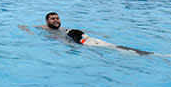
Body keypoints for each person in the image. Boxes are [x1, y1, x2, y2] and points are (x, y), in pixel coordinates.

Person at [21, 12, 151, 56]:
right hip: (66, 43)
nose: (56, 20)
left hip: (74, 40)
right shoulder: (44, 28)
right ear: (47, 21)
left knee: (107, 46)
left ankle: (127, 50)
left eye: (57, 18)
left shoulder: (63, 29)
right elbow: (22, 26)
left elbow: (84, 31)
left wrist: (100, 34)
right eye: (53, 19)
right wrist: (30, 33)